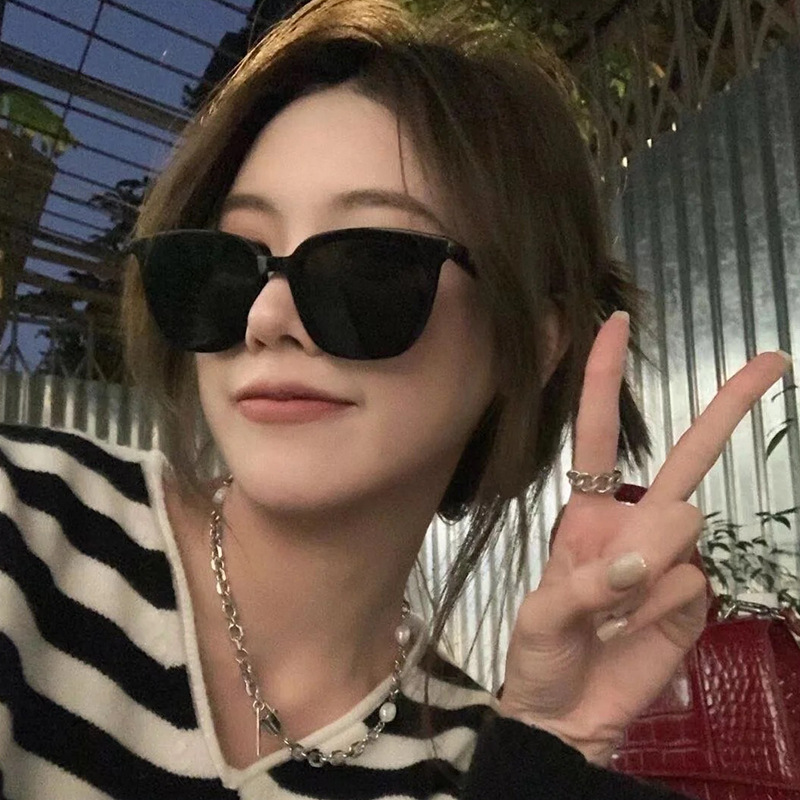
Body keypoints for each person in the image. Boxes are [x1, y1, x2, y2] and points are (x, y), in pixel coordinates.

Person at [0, 0, 792, 797]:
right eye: (227, 263)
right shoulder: (26, 524)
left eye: (368, 267)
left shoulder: (484, 760)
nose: (266, 319)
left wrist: (551, 752)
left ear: (531, 341)